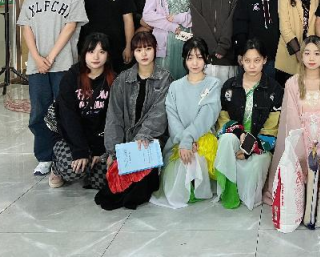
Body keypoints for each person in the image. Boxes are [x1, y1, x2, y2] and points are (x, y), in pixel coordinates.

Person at [18, 0, 89, 177]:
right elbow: (26, 27)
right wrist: (37, 57)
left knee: (64, 111)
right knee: (39, 112)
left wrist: (50, 57)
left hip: (63, 63)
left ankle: (64, 154)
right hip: (37, 65)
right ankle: (44, 156)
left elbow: (70, 27)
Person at [95, 31, 173, 211]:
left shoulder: (165, 78)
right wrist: (114, 151)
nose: (144, 54)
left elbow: (159, 114)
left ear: (155, 49)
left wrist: (143, 137)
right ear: (133, 53)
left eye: (148, 48)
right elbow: (114, 117)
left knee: (137, 192)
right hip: (125, 145)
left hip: (149, 142)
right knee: (110, 194)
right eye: (138, 50)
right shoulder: (123, 80)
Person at [265, 36, 320, 205]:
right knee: (296, 196)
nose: (311, 58)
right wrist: (301, 153)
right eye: (307, 53)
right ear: (301, 56)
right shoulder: (292, 83)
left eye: (316, 53)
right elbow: (291, 120)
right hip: (300, 138)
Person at [151, 38, 222, 209]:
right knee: (182, 164)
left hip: (203, 139)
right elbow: (172, 118)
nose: (195, 63)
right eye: (190, 57)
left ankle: (197, 188)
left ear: (206, 58)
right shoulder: (175, 86)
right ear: (184, 60)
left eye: (199, 57)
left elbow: (206, 116)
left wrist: (189, 139)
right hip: (178, 142)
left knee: (196, 158)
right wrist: (184, 141)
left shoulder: (213, 84)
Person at [215, 39, 284, 210]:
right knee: (226, 141)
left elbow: (272, 129)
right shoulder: (230, 86)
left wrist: (248, 147)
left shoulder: (274, 89)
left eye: (257, 60)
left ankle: (245, 195)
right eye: (247, 60)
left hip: (260, 143)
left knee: (257, 165)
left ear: (265, 60)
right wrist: (240, 135)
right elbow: (223, 120)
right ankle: (228, 191)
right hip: (235, 136)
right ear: (241, 61)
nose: (252, 65)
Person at [49, 32, 115, 190]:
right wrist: (79, 150)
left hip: (98, 137)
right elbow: (68, 117)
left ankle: (89, 168)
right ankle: (57, 167)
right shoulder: (71, 77)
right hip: (70, 136)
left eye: (101, 52)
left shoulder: (113, 80)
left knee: (104, 180)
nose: (96, 57)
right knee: (73, 170)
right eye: (91, 51)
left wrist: (100, 149)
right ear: (84, 53)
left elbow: (112, 118)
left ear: (108, 55)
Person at [190, 0, 244, 84]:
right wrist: (210, 48)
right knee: (204, 92)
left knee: (226, 92)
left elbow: (233, 19)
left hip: (227, 55)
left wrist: (223, 46)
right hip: (204, 54)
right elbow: (197, 20)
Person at [275, 0, 320, 86]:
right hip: (290, 52)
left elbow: (319, 23)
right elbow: (284, 27)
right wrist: (298, 52)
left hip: (312, 52)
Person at [233, 0, 281, 80]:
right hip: (251, 57)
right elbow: (240, 26)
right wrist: (241, 51)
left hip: (276, 55)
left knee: (272, 87)